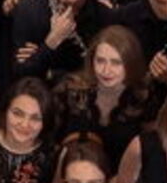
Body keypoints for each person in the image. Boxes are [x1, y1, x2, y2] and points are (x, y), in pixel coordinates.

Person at [52, 24, 152, 166]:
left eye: (116, 63)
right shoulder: (70, 88)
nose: (106, 70)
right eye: (100, 61)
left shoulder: (143, 95)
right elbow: (48, 138)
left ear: (130, 63)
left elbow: (149, 152)